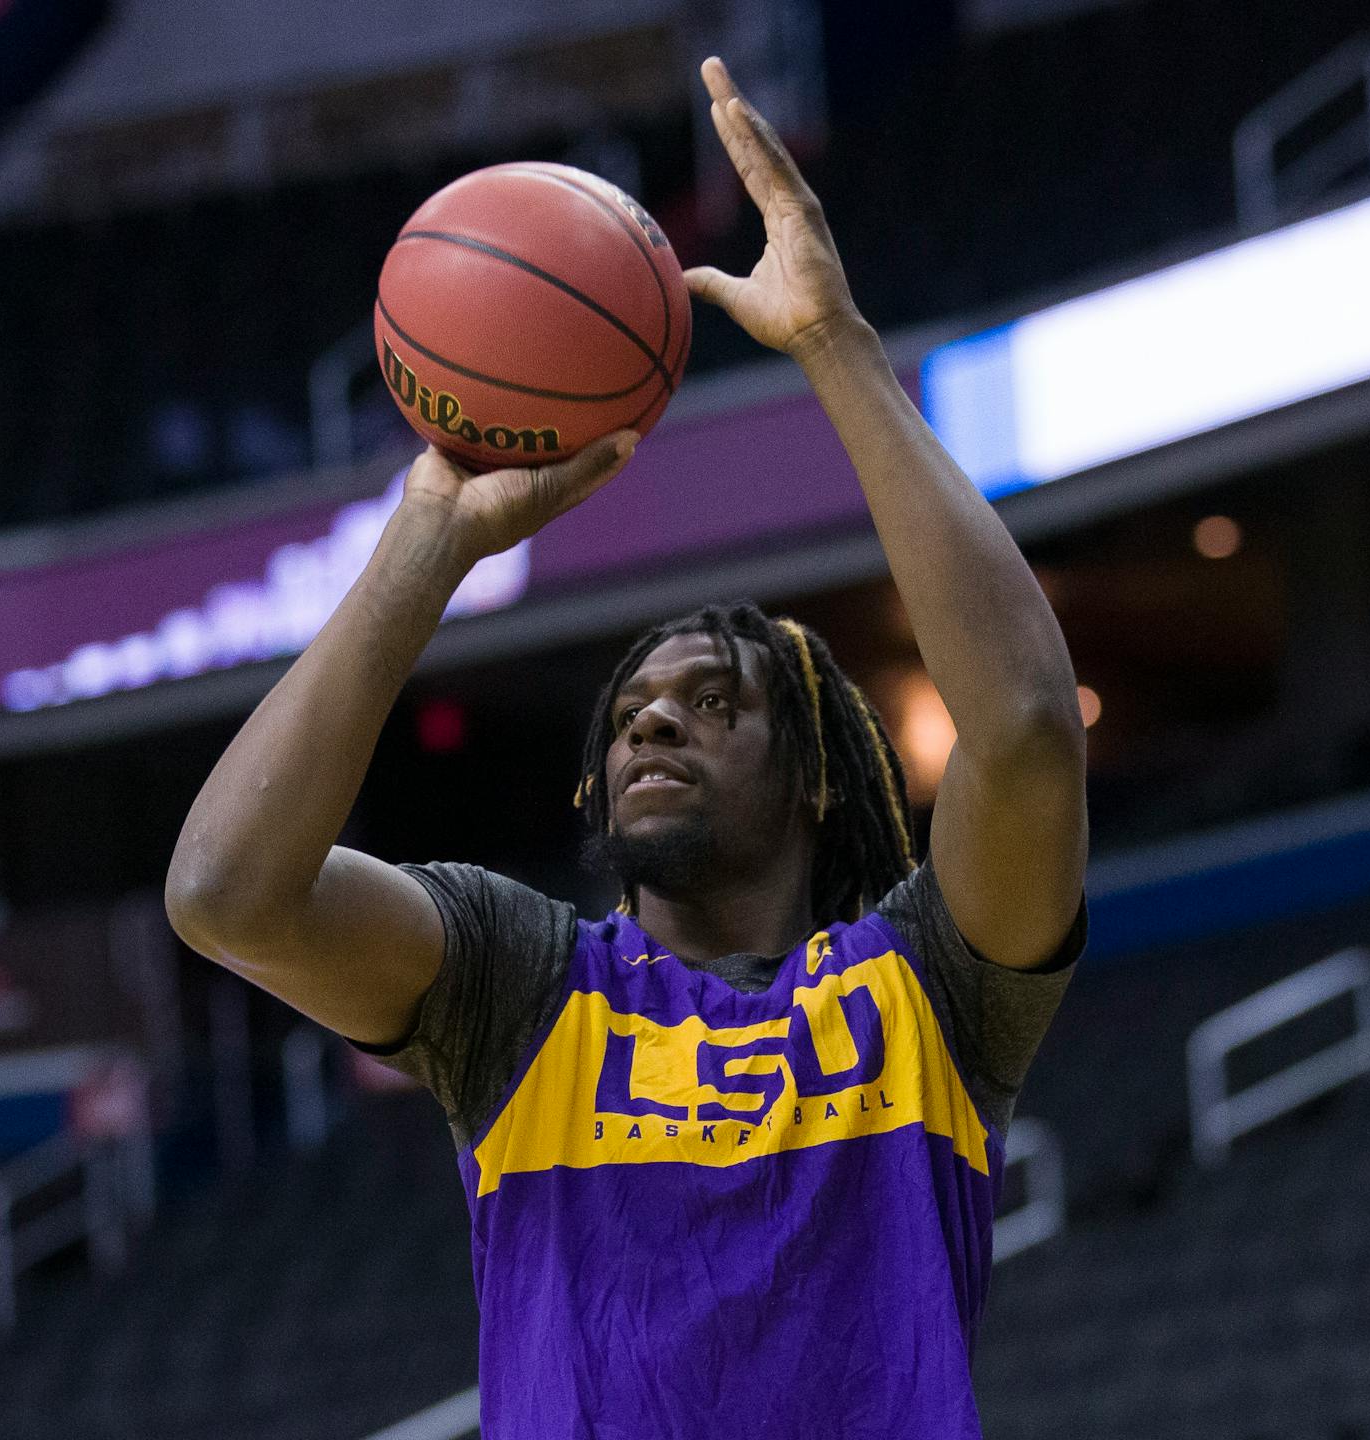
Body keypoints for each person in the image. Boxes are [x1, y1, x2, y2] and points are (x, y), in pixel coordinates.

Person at [167, 56, 1087, 1440]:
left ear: (817, 773)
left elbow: (1021, 730)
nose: (656, 716)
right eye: (632, 714)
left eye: (717, 701)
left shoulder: (931, 997)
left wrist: (835, 344)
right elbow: (227, 895)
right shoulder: (521, 986)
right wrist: (430, 539)